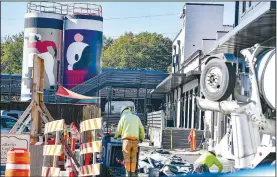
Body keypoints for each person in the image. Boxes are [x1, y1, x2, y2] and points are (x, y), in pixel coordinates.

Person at [114, 106, 145, 177]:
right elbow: (141, 129)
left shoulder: (123, 117)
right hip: (135, 141)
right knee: (133, 158)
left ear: (122, 112)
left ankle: (128, 174)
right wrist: (142, 138)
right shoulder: (136, 117)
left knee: (127, 158)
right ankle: (133, 174)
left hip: (127, 141)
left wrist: (116, 136)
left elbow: (119, 128)